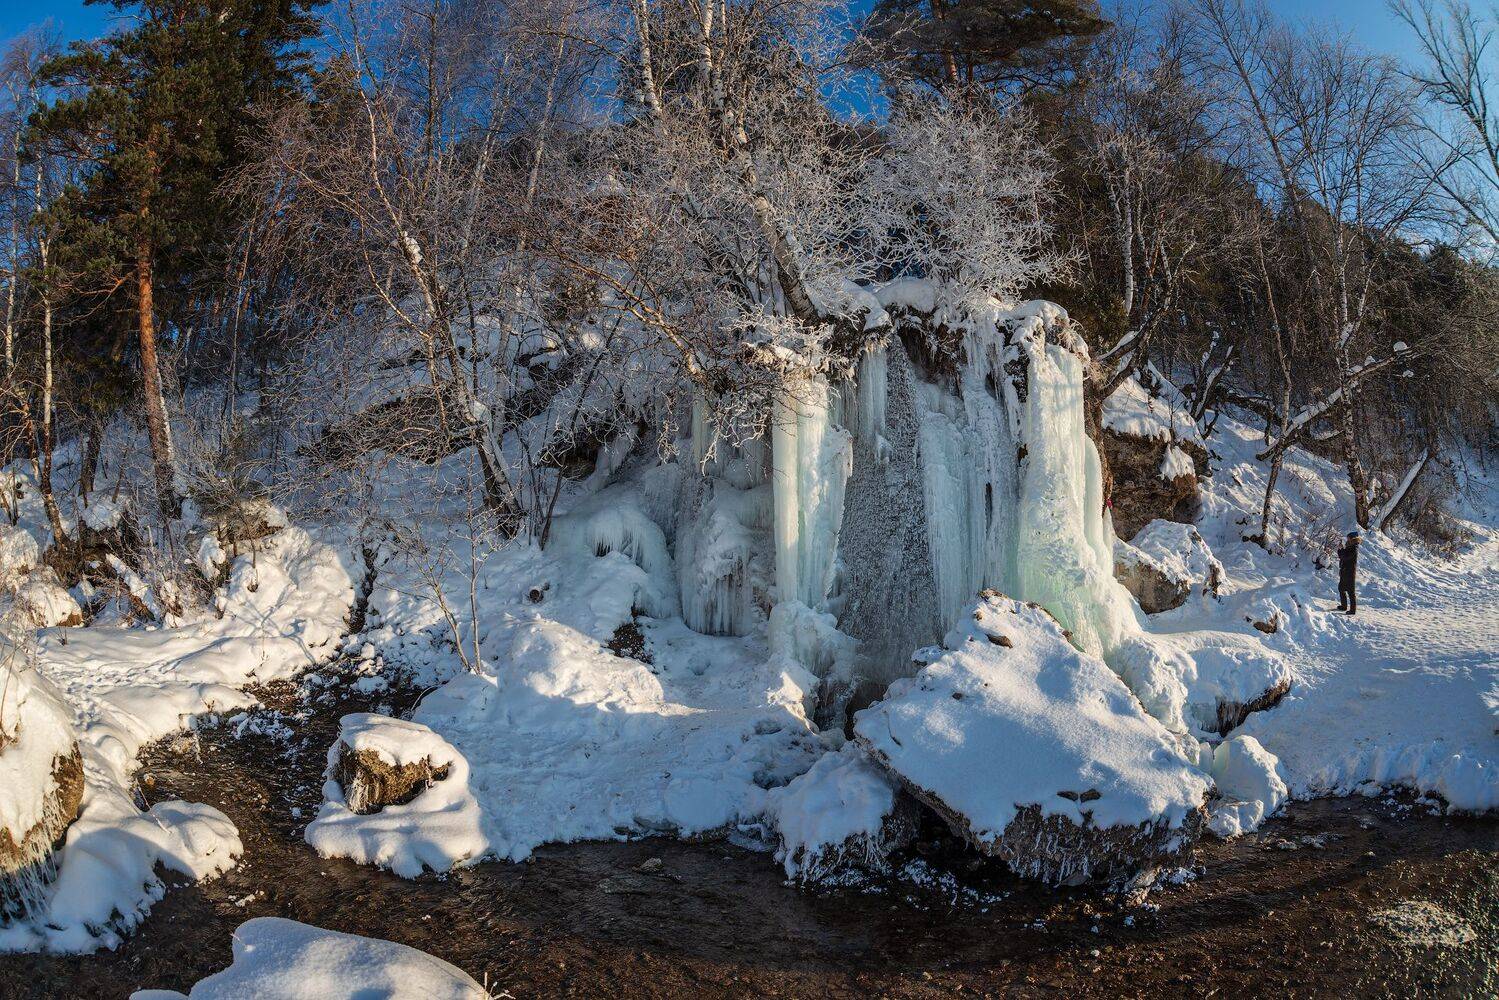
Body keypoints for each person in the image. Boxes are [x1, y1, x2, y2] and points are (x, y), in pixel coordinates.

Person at [1336, 530, 1360, 615]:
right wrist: (1340, 549)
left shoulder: (1354, 548)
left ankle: (1352, 610)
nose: (1347, 539)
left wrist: (1341, 549)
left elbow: (1345, 557)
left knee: (1351, 592)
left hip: (1349, 572)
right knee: (1341, 588)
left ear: (1352, 538)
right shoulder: (1349, 547)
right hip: (1345, 571)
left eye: (1348, 538)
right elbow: (1342, 556)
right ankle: (1344, 606)